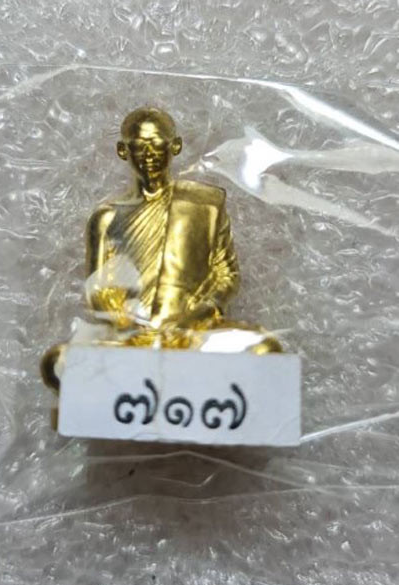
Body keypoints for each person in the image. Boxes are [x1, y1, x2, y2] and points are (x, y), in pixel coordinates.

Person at [42, 107, 281, 398]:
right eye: (139, 147)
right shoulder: (106, 218)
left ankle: (168, 385)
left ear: (175, 146)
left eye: (157, 145)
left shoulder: (203, 205)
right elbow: (98, 291)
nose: (149, 155)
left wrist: (197, 315)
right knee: (58, 363)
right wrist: (131, 323)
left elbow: (226, 274)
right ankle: (168, 383)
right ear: (122, 151)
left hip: (193, 331)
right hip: (131, 337)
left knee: (266, 350)